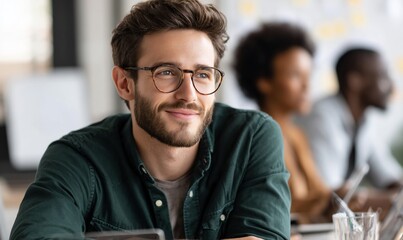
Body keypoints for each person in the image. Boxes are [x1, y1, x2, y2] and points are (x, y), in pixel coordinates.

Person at [10, 1, 291, 239]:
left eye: (203, 74)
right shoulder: (77, 159)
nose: (188, 94)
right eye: (166, 72)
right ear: (124, 83)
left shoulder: (250, 137)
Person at [233, 22, 332, 225]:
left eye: (308, 75)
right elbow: (270, 208)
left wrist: (337, 197)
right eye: (296, 75)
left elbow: (319, 193)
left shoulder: (296, 134)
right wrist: (326, 200)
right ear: (264, 82)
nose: (307, 85)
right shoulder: (253, 137)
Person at [297, 47, 403, 211]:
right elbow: (333, 197)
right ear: (355, 81)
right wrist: (395, 201)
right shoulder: (322, 117)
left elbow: (389, 177)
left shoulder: (364, 121)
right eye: (383, 77)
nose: (391, 87)